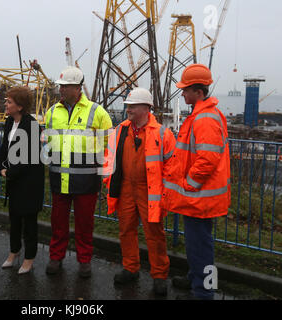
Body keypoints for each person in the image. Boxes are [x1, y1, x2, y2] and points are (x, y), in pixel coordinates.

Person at [160, 63, 231, 300]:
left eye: (186, 90)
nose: (182, 93)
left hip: (200, 197)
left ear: (198, 92)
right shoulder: (203, 115)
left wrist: (189, 183)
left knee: (201, 247)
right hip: (200, 196)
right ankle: (195, 280)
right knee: (197, 245)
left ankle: (203, 292)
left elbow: (207, 158)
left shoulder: (204, 119)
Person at [103, 87, 175, 296]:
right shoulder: (119, 131)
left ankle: (160, 275)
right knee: (126, 230)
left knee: (155, 234)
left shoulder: (162, 133)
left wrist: (165, 194)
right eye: (128, 106)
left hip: (149, 191)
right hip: (125, 187)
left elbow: (172, 167)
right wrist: (109, 182)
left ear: (146, 108)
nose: (128, 109)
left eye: (132, 106)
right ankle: (130, 268)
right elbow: (109, 158)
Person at [44, 66, 113, 278]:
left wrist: (104, 176)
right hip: (59, 180)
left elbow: (109, 145)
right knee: (58, 224)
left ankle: (84, 261)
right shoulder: (52, 112)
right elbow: (48, 141)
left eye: (65, 86)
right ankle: (56, 257)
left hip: (87, 182)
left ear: (78, 87)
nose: (61, 89)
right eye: (60, 86)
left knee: (85, 225)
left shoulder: (97, 112)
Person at [0, 86, 45, 274]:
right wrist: (1, 165)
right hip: (15, 181)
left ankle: (29, 258)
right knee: (14, 219)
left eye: (9, 101)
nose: (5, 104)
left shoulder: (32, 125)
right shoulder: (10, 122)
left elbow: (28, 158)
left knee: (29, 222)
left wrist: (9, 173)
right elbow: (4, 147)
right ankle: (14, 252)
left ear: (20, 106)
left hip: (29, 183)